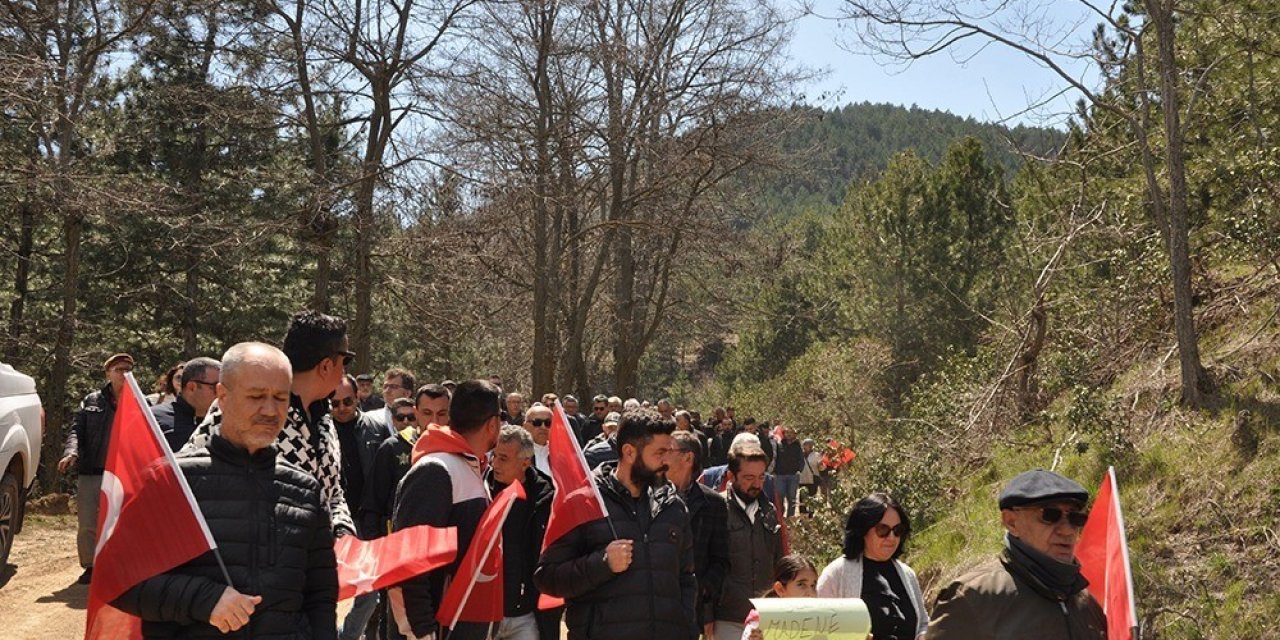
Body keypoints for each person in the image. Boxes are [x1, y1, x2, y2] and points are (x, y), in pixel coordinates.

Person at [111, 342, 337, 638]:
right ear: (223, 396)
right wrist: (205, 600)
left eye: (281, 398)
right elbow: (120, 580)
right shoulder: (171, 480)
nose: (270, 410)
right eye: (256, 396)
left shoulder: (305, 490)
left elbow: (320, 598)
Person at [184, 310, 356, 535]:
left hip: (315, 559)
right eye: (345, 361)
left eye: (280, 399)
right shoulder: (239, 409)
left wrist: (343, 531)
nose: (271, 409)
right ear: (325, 366)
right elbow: (190, 475)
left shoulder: (323, 416)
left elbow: (333, 494)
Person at [534, 408, 697, 640]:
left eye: (669, 452)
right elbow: (546, 578)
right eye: (659, 452)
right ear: (629, 452)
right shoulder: (583, 502)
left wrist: (687, 628)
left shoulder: (674, 507)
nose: (666, 461)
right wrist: (602, 564)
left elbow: (686, 578)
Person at [926, 469, 1107, 639]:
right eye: (1050, 515)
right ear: (1011, 522)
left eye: (1076, 518)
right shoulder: (972, 599)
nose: (1067, 530)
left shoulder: (1088, 606)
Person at [389, 380, 504, 640]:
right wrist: (422, 631)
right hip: (436, 631)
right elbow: (408, 560)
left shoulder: (472, 468)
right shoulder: (436, 470)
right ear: (493, 424)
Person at [59, 352, 134, 584]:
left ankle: (119, 565)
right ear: (108, 373)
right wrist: (71, 452)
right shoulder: (91, 400)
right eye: (119, 369)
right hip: (92, 469)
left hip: (124, 473)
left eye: (128, 369)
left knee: (122, 522)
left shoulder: (140, 401)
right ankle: (90, 565)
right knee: (88, 522)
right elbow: (76, 430)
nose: (124, 374)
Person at [817, 493, 928, 640]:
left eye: (897, 530)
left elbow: (923, 624)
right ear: (863, 530)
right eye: (883, 530)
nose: (891, 537)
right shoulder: (836, 575)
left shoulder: (907, 574)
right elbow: (820, 630)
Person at [488, 425, 558, 640]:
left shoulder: (546, 497)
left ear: (525, 462)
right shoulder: (481, 490)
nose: (495, 464)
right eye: (494, 456)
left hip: (527, 615)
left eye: (503, 458)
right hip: (487, 613)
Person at [714, 443, 782, 640]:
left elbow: (779, 559)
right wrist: (707, 615)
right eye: (749, 478)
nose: (757, 484)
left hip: (766, 616)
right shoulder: (717, 510)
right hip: (728, 617)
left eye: (761, 477)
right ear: (731, 476)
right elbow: (707, 567)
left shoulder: (769, 511)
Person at [668, 430, 730, 640]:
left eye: (668, 450)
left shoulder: (713, 503)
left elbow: (720, 560)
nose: (661, 456)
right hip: (653, 606)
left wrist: (701, 591)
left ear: (687, 458)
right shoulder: (647, 498)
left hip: (691, 611)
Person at [741, 555, 818, 640]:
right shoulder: (759, 624)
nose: (810, 593)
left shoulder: (821, 622)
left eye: (813, 586)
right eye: (801, 584)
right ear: (780, 589)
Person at [153, 356, 221, 452]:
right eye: (215, 387)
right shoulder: (153, 420)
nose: (221, 393)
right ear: (192, 387)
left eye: (225, 387)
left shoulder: (225, 423)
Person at [771, 427, 804, 518]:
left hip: (793, 475)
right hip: (780, 475)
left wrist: (799, 470)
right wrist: (773, 470)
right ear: (784, 434)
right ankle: (780, 517)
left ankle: (790, 518)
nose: (788, 434)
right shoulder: (779, 444)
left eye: (791, 433)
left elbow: (801, 459)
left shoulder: (797, 446)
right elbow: (775, 458)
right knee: (780, 496)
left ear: (794, 434)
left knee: (792, 498)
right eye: (787, 432)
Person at [523, 404, 553, 475]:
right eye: (537, 422)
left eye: (548, 423)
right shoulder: (516, 453)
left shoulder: (560, 454)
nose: (543, 427)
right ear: (525, 426)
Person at [797, 438, 822, 513]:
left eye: (806, 445)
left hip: (813, 480)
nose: (805, 447)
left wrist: (822, 465)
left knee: (812, 499)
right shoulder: (799, 455)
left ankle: (811, 516)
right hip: (802, 480)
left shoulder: (817, 455)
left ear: (811, 446)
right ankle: (802, 516)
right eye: (804, 445)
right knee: (802, 499)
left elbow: (822, 468)